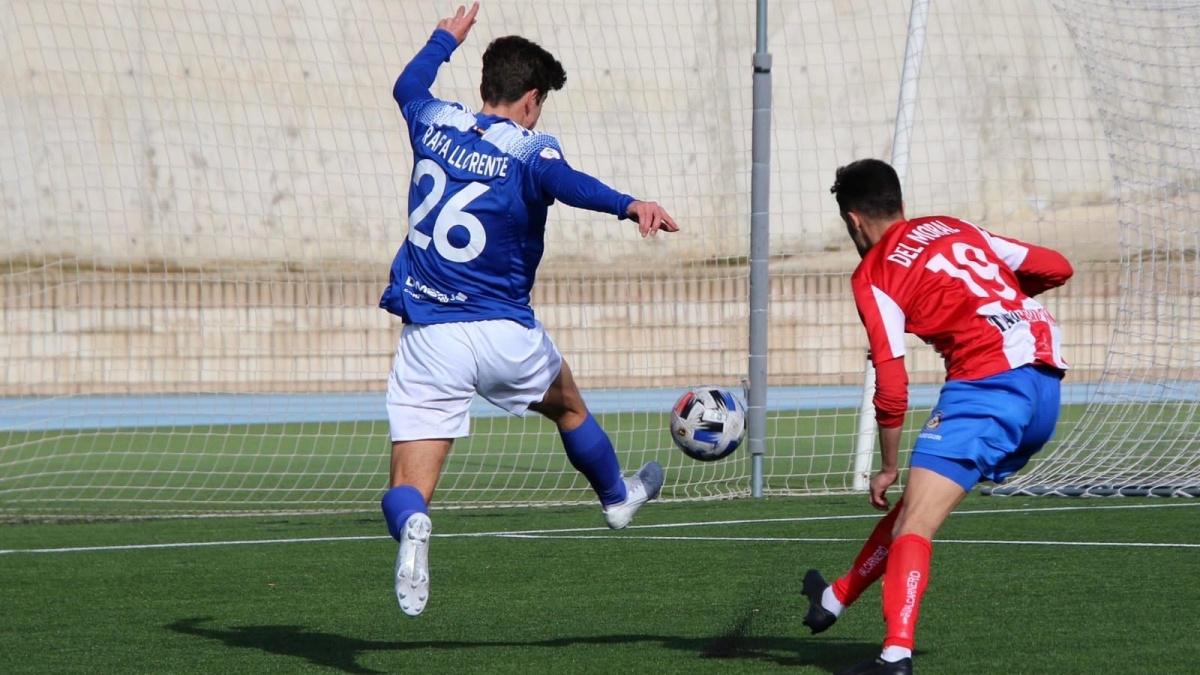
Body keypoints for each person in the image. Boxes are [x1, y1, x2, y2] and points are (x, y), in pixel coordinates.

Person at [378, 3, 680, 618]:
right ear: (531, 99)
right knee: (568, 405)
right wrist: (629, 205)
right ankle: (616, 498)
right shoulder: (530, 147)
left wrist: (444, 39)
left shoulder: (432, 119)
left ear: (485, 83)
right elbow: (568, 183)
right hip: (503, 332)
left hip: (431, 336)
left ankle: (414, 528)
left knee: (408, 486)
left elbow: (406, 85)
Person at [801, 159, 1073, 674]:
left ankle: (895, 656)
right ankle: (833, 599)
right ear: (900, 203)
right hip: (1045, 386)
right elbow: (1057, 266)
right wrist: (990, 305)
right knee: (916, 508)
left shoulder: (874, 274)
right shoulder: (954, 226)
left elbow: (892, 382)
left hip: (989, 386)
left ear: (854, 221)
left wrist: (885, 465)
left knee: (916, 524)